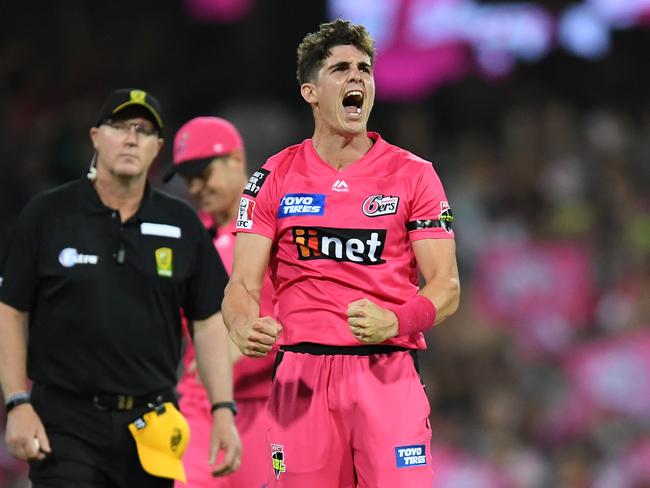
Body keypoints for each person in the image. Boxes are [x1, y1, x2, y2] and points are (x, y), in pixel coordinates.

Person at [222, 19, 461, 488]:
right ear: (310, 91)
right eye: (341, 69)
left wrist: (394, 322)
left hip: (385, 371)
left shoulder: (415, 175)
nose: (357, 78)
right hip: (300, 380)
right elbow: (242, 286)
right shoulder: (274, 176)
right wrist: (242, 325)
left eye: (365, 69)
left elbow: (447, 287)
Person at [0, 88, 241, 488]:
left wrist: (222, 410)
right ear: (95, 137)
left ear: (157, 149)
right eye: (119, 126)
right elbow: (10, 309)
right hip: (66, 422)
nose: (131, 138)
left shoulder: (182, 224)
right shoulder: (48, 214)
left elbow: (208, 321)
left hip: (153, 424)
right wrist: (16, 402)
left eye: (144, 131)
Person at [164, 116, 277, 488]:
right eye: (187, 177)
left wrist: (242, 343)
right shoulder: (190, 240)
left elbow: (308, 317)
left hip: (268, 404)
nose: (195, 186)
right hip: (201, 403)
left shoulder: (276, 230)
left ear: (236, 160)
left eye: (203, 172)